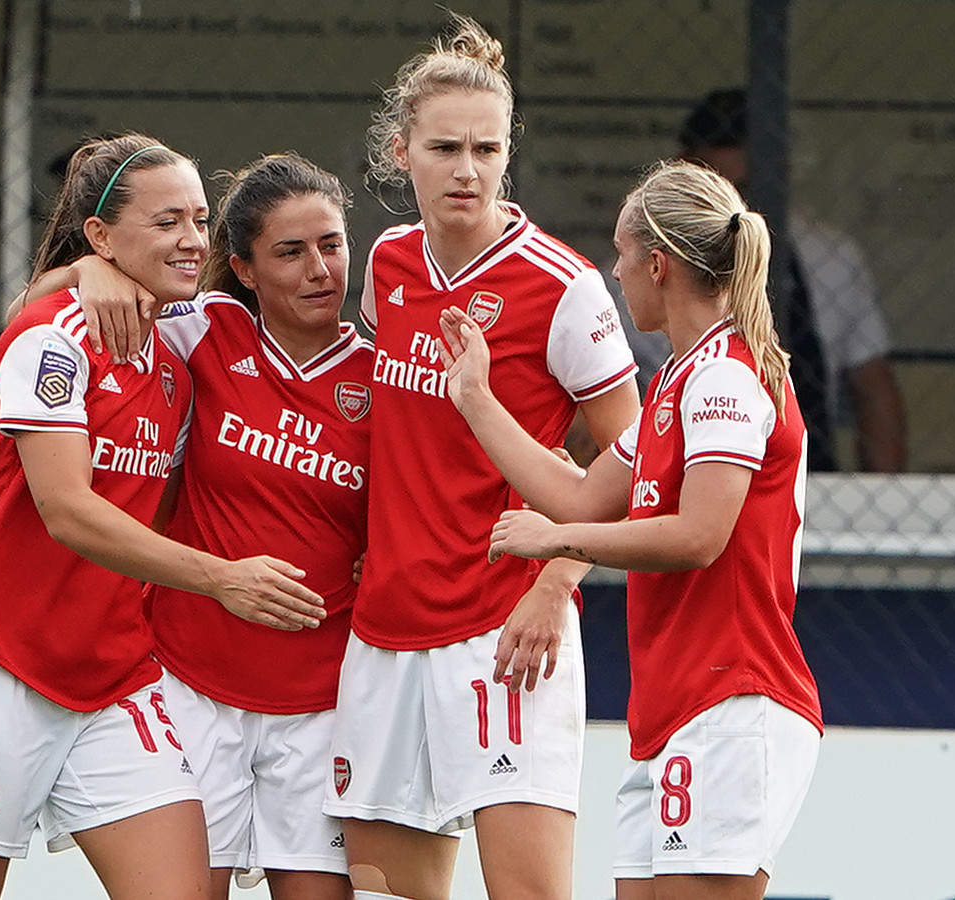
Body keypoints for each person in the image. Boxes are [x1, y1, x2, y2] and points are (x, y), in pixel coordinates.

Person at [0, 134, 327, 900]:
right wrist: (221, 577)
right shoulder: (51, 339)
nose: (192, 239)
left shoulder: (173, 362)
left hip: (111, 677)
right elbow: (67, 511)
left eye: (199, 219)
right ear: (100, 235)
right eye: (167, 222)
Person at [438, 158, 822, 900]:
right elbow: (582, 497)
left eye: (620, 253)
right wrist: (476, 397)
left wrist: (555, 542)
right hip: (674, 709)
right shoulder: (679, 379)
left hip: (733, 700)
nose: (614, 271)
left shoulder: (727, 374)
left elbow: (698, 537)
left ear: (658, 264)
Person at [321, 14, 641, 900]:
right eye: (446, 148)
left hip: (505, 630)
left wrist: (555, 585)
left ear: (508, 154)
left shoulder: (565, 285)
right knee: (389, 895)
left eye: (487, 149)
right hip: (385, 631)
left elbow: (634, 462)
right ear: (401, 152)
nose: (467, 169)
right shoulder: (387, 262)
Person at [20, 152, 370, 900]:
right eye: (290, 252)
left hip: (324, 701)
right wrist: (89, 270)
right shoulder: (204, 328)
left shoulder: (384, 376)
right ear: (243, 270)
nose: (319, 270)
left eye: (332, 245)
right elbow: (36, 318)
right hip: (190, 685)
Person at [677, 87, 907, 472]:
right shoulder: (641, 270)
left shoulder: (832, 257)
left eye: (746, 187)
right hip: (692, 473)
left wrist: (884, 496)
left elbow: (873, 390)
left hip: (813, 475)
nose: (736, 207)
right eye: (718, 188)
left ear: (779, 166)